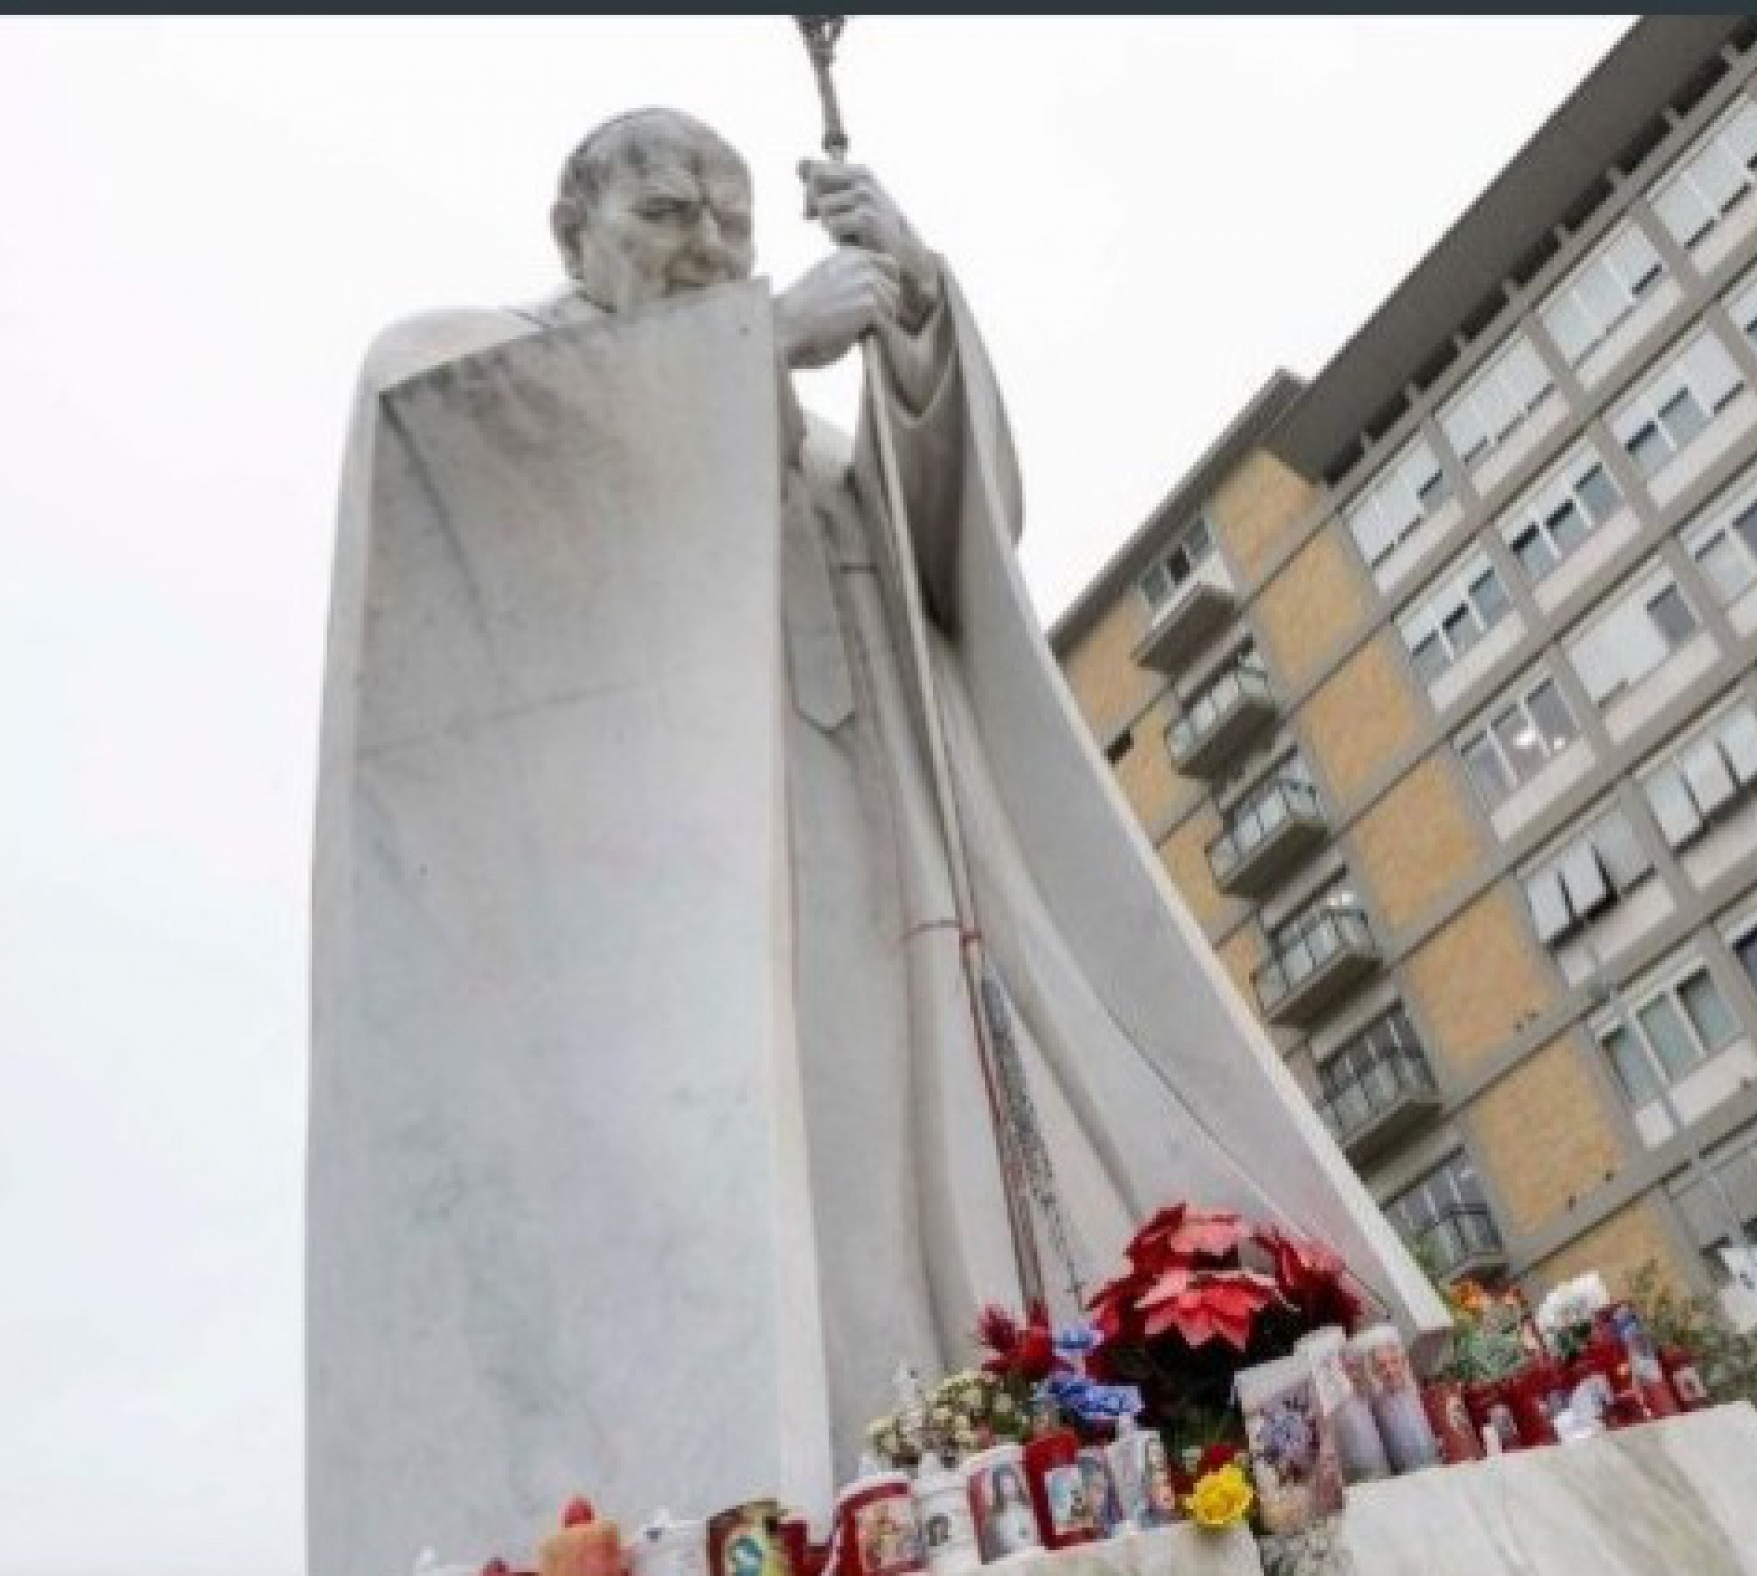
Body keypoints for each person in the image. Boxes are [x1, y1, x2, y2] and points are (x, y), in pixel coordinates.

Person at [309, 106, 1436, 1576]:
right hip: (667, 924)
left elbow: (960, 547)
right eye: (667, 216)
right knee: (782, 1206)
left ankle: (950, 1468)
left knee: (906, 1195)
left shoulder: (807, 445)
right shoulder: (475, 362)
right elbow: (462, 452)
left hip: (878, 866)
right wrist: (753, 347)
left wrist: (917, 317)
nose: (709, 248)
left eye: (732, 220)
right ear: (571, 230)